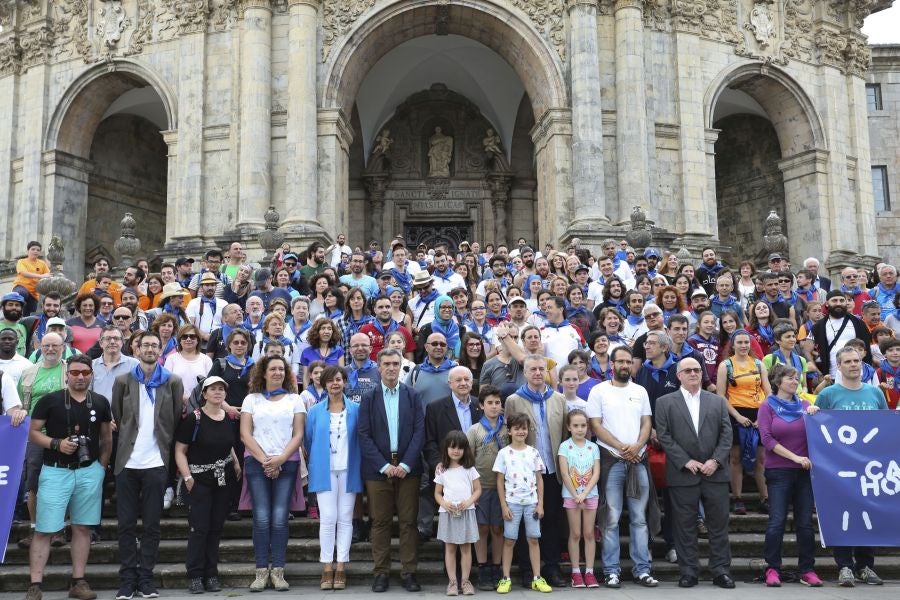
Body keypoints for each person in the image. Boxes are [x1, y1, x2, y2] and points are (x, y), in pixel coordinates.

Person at [25, 354, 113, 600]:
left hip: (88, 471)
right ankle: (35, 586)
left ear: (91, 374)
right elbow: (33, 433)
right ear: (67, 375)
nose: (80, 377)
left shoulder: (100, 402)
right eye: (75, 373)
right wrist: (56, 444)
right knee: (44, 529)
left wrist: (100, 468)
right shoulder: (49, 401)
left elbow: (107, 439)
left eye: (85, 373)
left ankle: (78, 582)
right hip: (55, 470)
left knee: (82, 527)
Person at [112, 331, 184, 600]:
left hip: (156, 462)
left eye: (156, 345)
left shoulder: (173, 382)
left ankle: (146, 578)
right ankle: (127, 580)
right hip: (127, 463)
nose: (151, 349)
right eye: (146, 345)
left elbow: (174, 419)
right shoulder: (123, 381)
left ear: (161, 349)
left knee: (152, 525)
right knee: (126, 525)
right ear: (137, 348)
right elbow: (118, 416)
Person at [655, 358, 734, 589]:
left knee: (718, 525)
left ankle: (720, 571)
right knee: (684, 525)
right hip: (683, 474)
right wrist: (685, 460)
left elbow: (726, 434)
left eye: (697, 370)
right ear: (678, 375)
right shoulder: (664, 402)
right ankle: (688, 571)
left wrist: (716, 460)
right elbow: (664, 435)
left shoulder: (717, 401)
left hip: (715, 474)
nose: (693, 374)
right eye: (688, 370)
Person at [815, 346, 889, 586]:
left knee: (868, 515)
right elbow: (819, 427)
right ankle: (845, 566)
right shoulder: (828, 394)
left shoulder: (875, 393)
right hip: (838, 469)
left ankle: (865, 566)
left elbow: (886, 427)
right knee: (842, 516)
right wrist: (813, 412)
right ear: (839, 366)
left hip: (869, 468)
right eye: (847, 361)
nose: (853, 365)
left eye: (856, 360)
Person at [587, 345, 658, 588]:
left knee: (639, 518)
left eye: (629, 362)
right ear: (612, 365)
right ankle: (611, 570)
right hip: (611, 460)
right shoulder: (599, 391)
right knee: (611, 518)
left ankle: (642, 570)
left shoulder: (640, 391)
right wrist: (622, 447)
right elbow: (595, 425)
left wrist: (637, 446)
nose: (625, 366)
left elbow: (646, 422)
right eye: (621, 362)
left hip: (638, 459)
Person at [358, 348, 425, 593]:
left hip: (409, 468)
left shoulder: (412, 396)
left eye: (395, 364)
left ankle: (409, 572)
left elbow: (419, 432)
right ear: (378, 367)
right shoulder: (369, 397)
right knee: (380, 522)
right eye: (386, 364)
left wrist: (405, 464)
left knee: (408, 522)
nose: (391, 368)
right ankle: (381, 573)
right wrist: (384, 465)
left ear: (401, 366)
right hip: (378, 469)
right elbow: (364, 435)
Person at [240, 355, 306, 592]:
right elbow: (245, 434)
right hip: (257, 463)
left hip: (286, 463)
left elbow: (298, 435)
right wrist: (266, 460)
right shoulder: (251, 399)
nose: (277, 372)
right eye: (273, 369)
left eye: (281, 369)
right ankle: (260, 571)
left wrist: (279, 459)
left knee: (279, 518)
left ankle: (278, 571)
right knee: (261, 517)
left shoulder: (295, 400)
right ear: (264, 373)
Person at [504, 354, 567, 588]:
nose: (538, 373)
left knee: (551, 519)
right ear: (525, 372)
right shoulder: (513, 400)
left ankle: (552, 567)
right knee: (524, 521)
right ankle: (528, 569)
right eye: (533, 369)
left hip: (551, 470)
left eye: (542, 369)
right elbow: (508, 432)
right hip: (524, 474)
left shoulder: (558, 399)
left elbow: (564, 435)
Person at [756, 365, 822, 588]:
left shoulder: (805, 405)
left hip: (804, 472)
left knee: (805, 523)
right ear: (777, 381)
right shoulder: (767, 406)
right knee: (777, 522)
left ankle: (807, 569)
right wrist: (794, 458)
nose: (795, 381)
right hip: (779, 471)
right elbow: (767, 439)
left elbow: (818, 432)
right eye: (790, 378)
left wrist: (815, 413)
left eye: (797, 378)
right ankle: (772, 568)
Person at [174, 376, 241, 594]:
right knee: (199, 529)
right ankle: (194, 574)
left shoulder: (228, 418)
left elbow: (228, 443)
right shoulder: (194, 418)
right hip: (199, 480)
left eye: (221, 389)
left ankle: (211, 573)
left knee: (215, 528)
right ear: (204, 393)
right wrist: (187, 478)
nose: (218, 392)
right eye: (213, 389)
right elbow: (180, 451)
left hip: (223, 480)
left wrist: (236, 462)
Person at [305, 365, 362, 591]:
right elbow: (308, 441)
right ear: (324, 384)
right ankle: (327, 566)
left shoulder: (356, 409)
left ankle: (341, 566)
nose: (334, 383)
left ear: (345, 382)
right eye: (330, 380)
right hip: (324, 470)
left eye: (338, 379)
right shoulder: (315, 411)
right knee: (328, 517)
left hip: (349, 469)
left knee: (345, 517)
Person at [492, 412, 552, 594]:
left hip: (532, 503)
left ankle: (537, 577)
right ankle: (505, 578)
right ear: (509, 431)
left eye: (524, 428)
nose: (520, 432)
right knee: (509, 540)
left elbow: (539, 479)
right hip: (512, 503)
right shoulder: (503, 453)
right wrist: (503, 505)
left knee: (533, 539)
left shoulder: (533, 452)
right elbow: (499, 481)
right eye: (516, 428)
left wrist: (540, 503)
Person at [717, 329, 771, 515]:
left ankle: (765, 498)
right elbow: (720, 395)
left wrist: (761, 416)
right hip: (735, 413)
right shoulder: (726, 365)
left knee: (761, 458)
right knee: (736, 458)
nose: (743, 346)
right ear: (733, 345)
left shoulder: (758, 364)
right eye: (739, 342)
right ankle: (738, 499)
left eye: (746, 342)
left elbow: (768, 392)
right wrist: (738, 417)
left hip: (758, 413)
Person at [465, 385, 507, 591]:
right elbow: (467, 461)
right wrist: (472, 489)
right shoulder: (474, 430)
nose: (493, 406)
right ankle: (482, 567)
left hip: (503, 487)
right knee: (481, 528)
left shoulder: (507, 427)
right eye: (489, 403)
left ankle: (496, 566)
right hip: (481, 486)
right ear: (481, 405)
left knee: (498, 528)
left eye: (497, 403)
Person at [433, 431, 482, 597]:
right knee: (450, 548)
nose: (456, 451)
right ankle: (452, 582)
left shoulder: (469, 469)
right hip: (448, 513)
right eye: (452, 447)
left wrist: (468, 502)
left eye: (460, 448)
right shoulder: (442, 470)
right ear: (446, 448)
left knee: (466, 548)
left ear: (465, 450)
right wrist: (444, 504)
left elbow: (477, 490)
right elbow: (437, 493)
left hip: (466, 512)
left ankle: (465, 581)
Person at [557, 410, 601, 589]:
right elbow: (565, 473)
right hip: (571, 496)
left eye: (583, 425)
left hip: (590, 495)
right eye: (575, 425)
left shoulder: (593, 447)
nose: (580, 429)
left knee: (589, 533)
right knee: (575, 534)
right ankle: (576, 572)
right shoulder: (564, 447)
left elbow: (596, 472)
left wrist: (585, 493)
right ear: (569, 427)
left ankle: (589, 572)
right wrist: (576, 494)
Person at [810, 290, 872, 377]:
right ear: (827, 304)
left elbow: (867, 349)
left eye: (842, 300)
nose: (838, 303)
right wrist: (819, 373)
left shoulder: (858, 323)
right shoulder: (818, 326)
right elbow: (807, 350)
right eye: (834, 300)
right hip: (832, 376)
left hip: (858, 375)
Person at [164, 325, 213, 405]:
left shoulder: (206, 360)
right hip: (176, 404)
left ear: (198, 340)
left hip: (200, 405)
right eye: (184, 336)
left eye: (192, 336)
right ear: (179, 340)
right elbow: (166, 384)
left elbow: (210, 385)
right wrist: (182, 398)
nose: (188, 339)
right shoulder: (171, 359)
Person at [186, 272, 227, 351]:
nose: (210, 288)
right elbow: (190, 324)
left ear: (216, 286)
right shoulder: (193, 303)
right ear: (201, 287)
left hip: (219, 343)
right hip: (198, 343)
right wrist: (204, 335)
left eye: (212, 285)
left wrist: (216, 337)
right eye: (207, 285)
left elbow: (226, 324)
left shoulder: (224, 303)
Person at [13, 241, 51, 317]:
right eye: (33, 249)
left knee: (29, 316)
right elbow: (23, 273)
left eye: (38, 250)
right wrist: (41, 276)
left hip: (34, 293)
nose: (35, 251)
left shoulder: (42, 264)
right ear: (28, 251)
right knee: (22, 294)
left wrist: (57, 268)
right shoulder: (22, 261)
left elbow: (49, 275)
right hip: (21, 287)